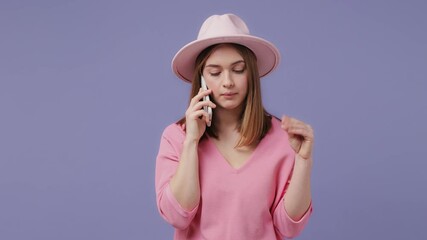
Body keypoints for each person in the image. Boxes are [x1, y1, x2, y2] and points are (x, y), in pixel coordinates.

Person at [155, 13, 314, 240]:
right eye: (215, 72)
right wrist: (191, 141)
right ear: (201, 78)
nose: (227, 82)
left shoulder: (283, 138)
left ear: (252, 74)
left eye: (238, 69)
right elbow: (177, 216)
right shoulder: (175, 137)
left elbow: (288, 227)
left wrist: (303, 162)